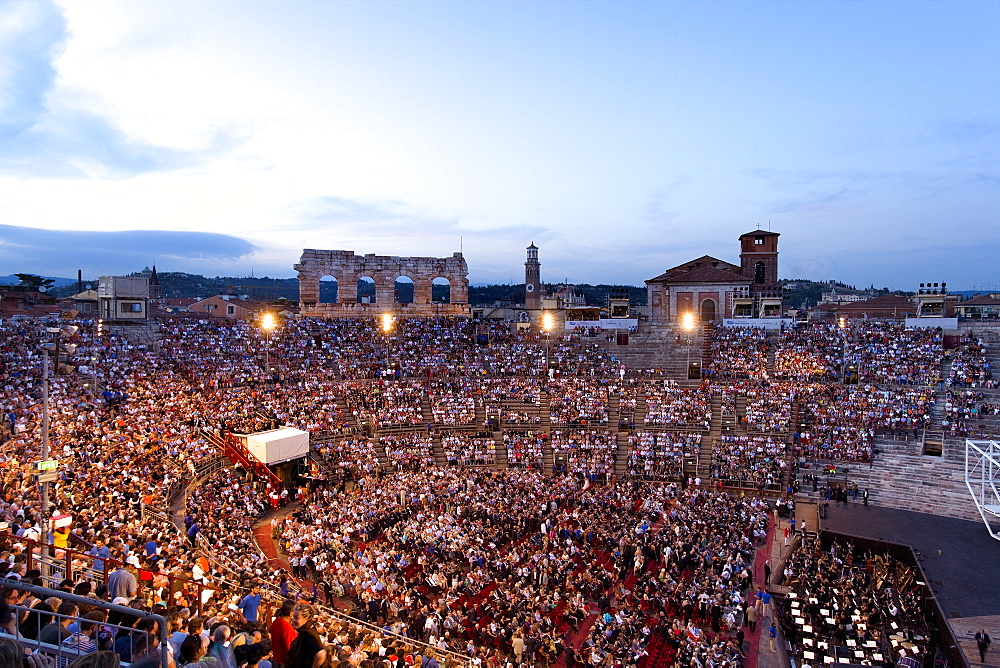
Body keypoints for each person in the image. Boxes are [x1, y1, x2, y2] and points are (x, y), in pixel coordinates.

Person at [267, 601, 296, 668]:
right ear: (291, 613)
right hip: (283, 663)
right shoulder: (288, 629)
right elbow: (290, 650)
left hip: (275, 659)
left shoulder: (277, 621)